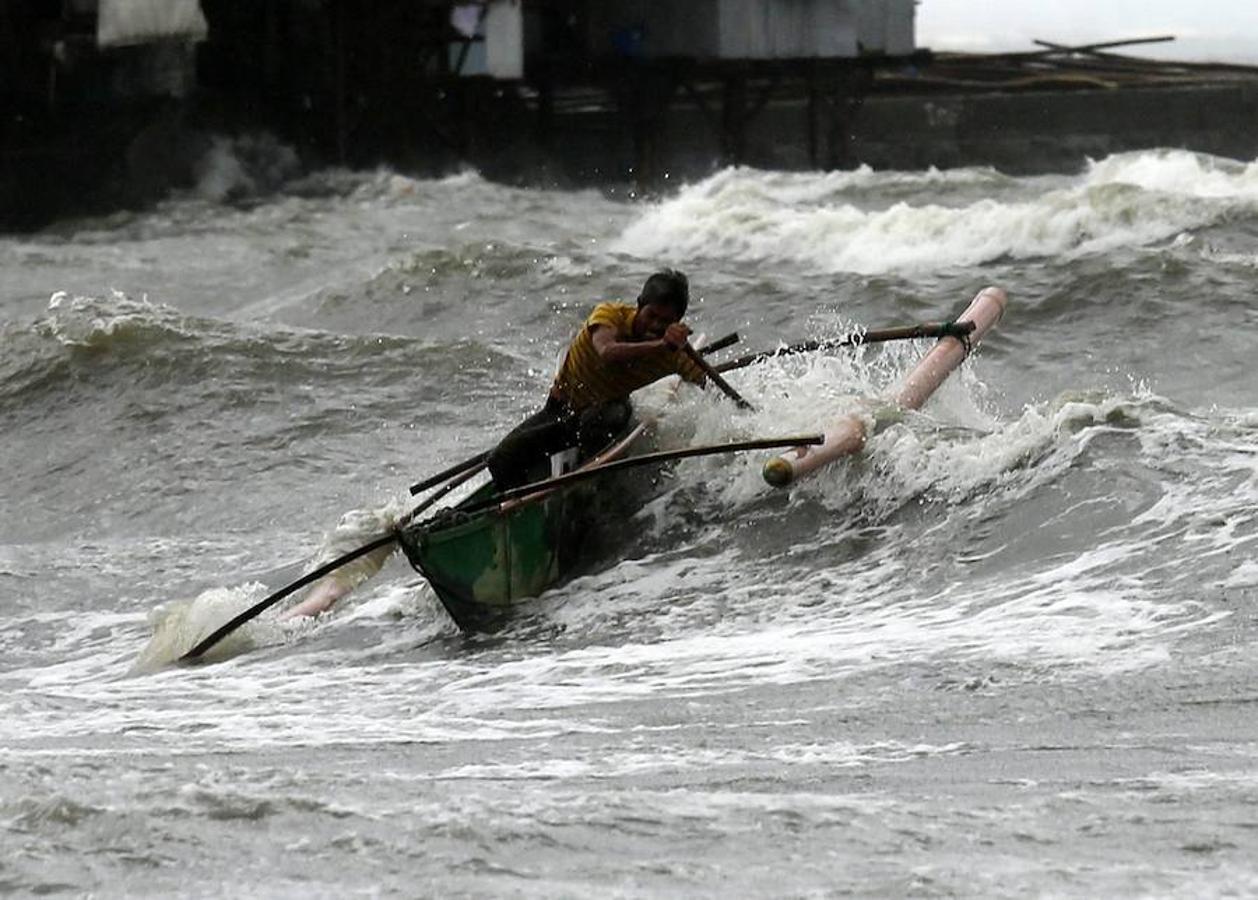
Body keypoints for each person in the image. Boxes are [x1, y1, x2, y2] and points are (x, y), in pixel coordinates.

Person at [487, 269, 707, 490]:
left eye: (666, 321)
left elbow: (706, 386)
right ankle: (521, 502)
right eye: (651, 316)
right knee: (500, 460)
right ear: (639, 305)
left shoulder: (676, 355)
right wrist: (660, 345)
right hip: (561, 410)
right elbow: (607, 352)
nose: (656, 326)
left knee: (595, 420)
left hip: (607, 416)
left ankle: (590, 486)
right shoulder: (610, 316)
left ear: (678, 322)